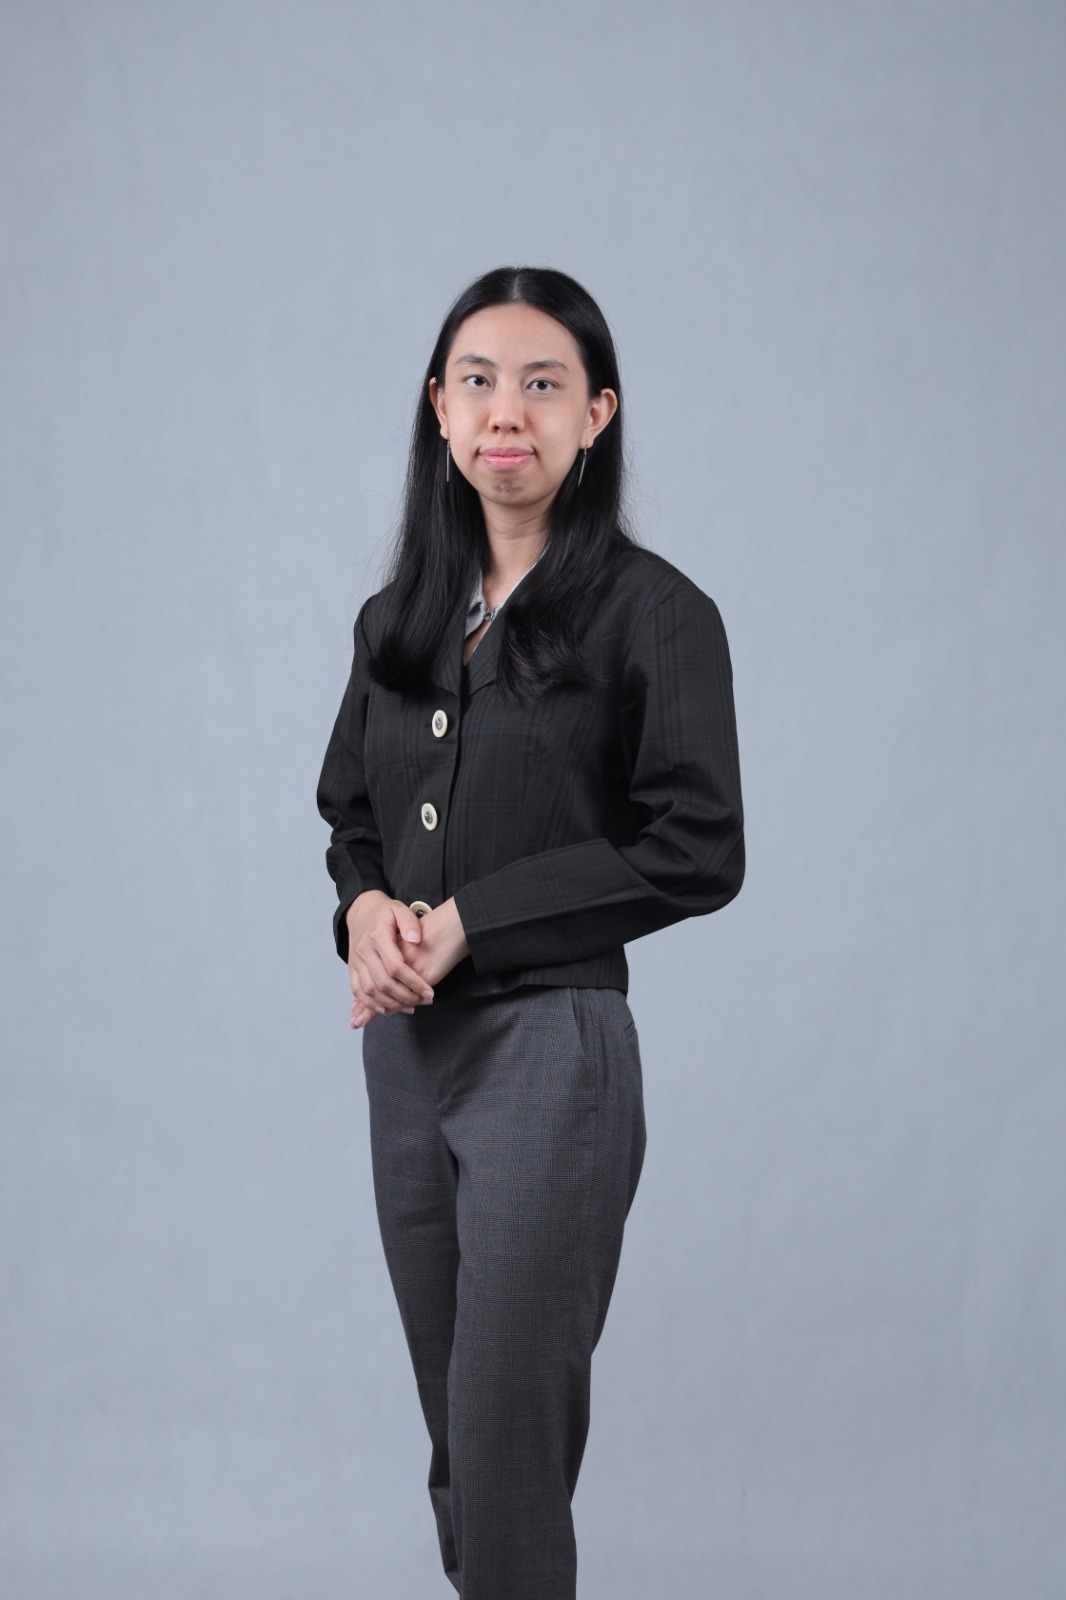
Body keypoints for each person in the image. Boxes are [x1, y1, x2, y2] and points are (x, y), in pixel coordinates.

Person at [316, 265, 744, 1599]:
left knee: (506, 1441)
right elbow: (349, 815)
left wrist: (471, 922)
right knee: (460, 1440)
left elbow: (698, 846)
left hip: (550, 1055)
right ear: (438, 409)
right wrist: (366, 911)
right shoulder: (397, 621)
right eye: (478, 381)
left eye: (543, 383)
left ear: (595, 414)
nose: (507, 411)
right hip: (406, 1060)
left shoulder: (654, 614)